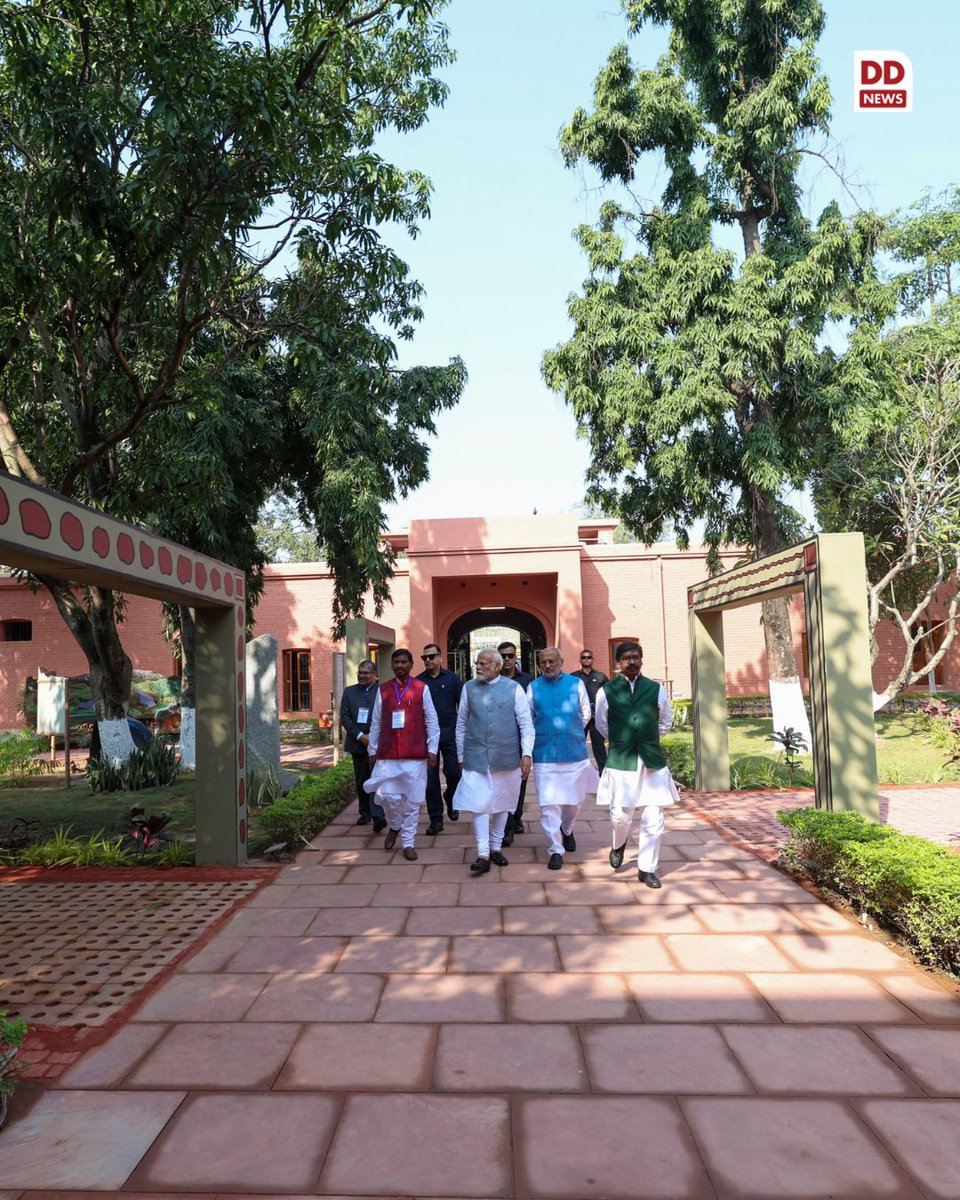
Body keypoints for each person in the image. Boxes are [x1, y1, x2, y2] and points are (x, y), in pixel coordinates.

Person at [595, 641, 676, 888]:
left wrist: (648, 739)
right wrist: (622, 740)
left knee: (654, 815)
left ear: (642, 659)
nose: (632, 661)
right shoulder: (606, 691)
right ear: (618, 662)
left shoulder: (655, 688)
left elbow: (666, 720)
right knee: (621, 814)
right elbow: (601, 724)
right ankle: (619, 843)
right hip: (621, 759)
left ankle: (647, 868)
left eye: (636, 657)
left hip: (651, 760)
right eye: (626, 658)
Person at [455, 648, 533, 874]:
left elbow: (526, 724)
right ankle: (483, 853)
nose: (478, 667)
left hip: (506, 757)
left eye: (483, 664)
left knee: (503, 802)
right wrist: (461, 756)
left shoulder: (514, 689)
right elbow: (461, 724)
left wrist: (526, 753)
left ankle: (496, 847)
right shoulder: (468, 688)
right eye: (477, 663)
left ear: (497, 667)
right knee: (479, 804)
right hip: (475, 756)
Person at [364, 648, 440, 862]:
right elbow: (377, 721)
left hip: (414, 753)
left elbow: (431, 720)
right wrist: (373, 748)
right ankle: (395, 825)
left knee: (411, 801)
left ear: (411, 664)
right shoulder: (384, 690)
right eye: (396, 662)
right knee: (387, 797)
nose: (399, 665)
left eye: (403, 662)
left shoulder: (421, 688)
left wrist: (432, 749)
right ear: (391, 665)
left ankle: (408, 842)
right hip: (388, 752)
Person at [528, 647, 598, 870]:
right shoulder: (533, 687)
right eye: (543, 662)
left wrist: (571, 731)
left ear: (561, 661)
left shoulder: (576, 684)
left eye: (551, 661)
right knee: (548, 804)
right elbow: (528, 719)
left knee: (573, 801)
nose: (547, 666)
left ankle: (567, 829)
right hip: (544, 754)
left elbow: (586, 713)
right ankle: (555, 849)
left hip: (573, 752)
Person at [416, 642, 463, 834]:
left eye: (431, 656)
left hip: (449, 734)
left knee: (454, 774)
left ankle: (451, 797)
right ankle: (436, 819)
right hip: (427, 738)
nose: (427, 660)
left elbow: (463, 706)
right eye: (424, 657)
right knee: (430, 779)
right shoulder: (418, 682)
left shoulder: (452, 679)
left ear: (440, 658)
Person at [339, 659, 385, 831]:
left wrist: (374, 737)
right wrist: (360, 736)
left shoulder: (382, 692)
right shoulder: (349, 692)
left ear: (374, 676)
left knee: (377, 778)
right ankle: (364, 813)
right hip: (357, 743)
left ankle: (377, 815)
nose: (362, 675)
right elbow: (345, 717)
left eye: (366, 673)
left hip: (378, 743)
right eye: (360, 672)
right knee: (361, 779)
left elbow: (386, 716)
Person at [498, 640, 533, 846]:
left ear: (516, 656)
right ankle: (507, 824)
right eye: (503, 656)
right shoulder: (493, 680)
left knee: (521, 779)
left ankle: (516, 816)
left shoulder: (527, 680)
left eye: (510, 655)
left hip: (522, 737)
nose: (507, 659)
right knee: (504, 781)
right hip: (501, 738)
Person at [572, 649, 610, 773]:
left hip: (596, 717)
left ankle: (604, 775)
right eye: (583, 657)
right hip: (579, 717)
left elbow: (609, 694)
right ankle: (576, 773)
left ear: (592, 659)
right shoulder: (573, 677)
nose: (586, 659)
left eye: (589, 657)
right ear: (580, 660)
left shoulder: (600, 676)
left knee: (599, 747)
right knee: (577, 746)